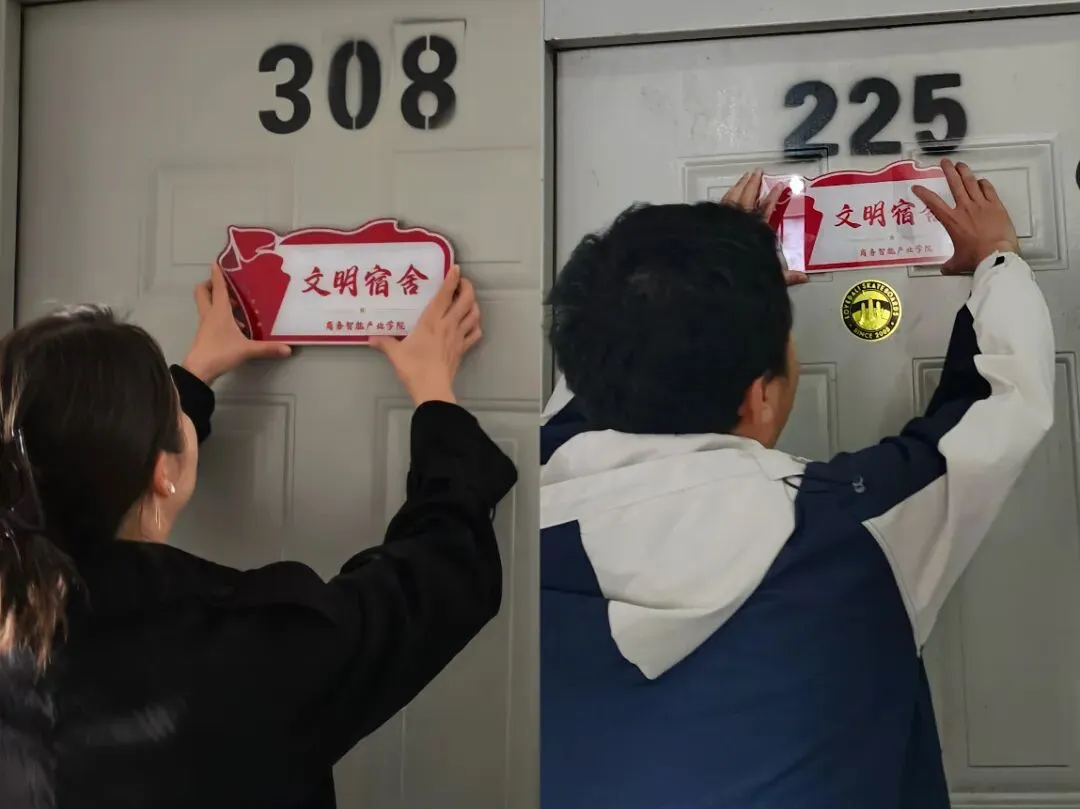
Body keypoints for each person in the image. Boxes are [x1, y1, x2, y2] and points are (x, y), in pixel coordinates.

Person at [540, 159, 1055, 809]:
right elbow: (999, 406)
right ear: (759, 397)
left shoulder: (521, 508)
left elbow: (592, 382)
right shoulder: (846, 533)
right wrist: (997, 259)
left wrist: (709, 280)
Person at [0, 263, 517, 809]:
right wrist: (435, 395)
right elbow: (438, 578)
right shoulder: (246, 655)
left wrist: (195, 374)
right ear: (162, 470)